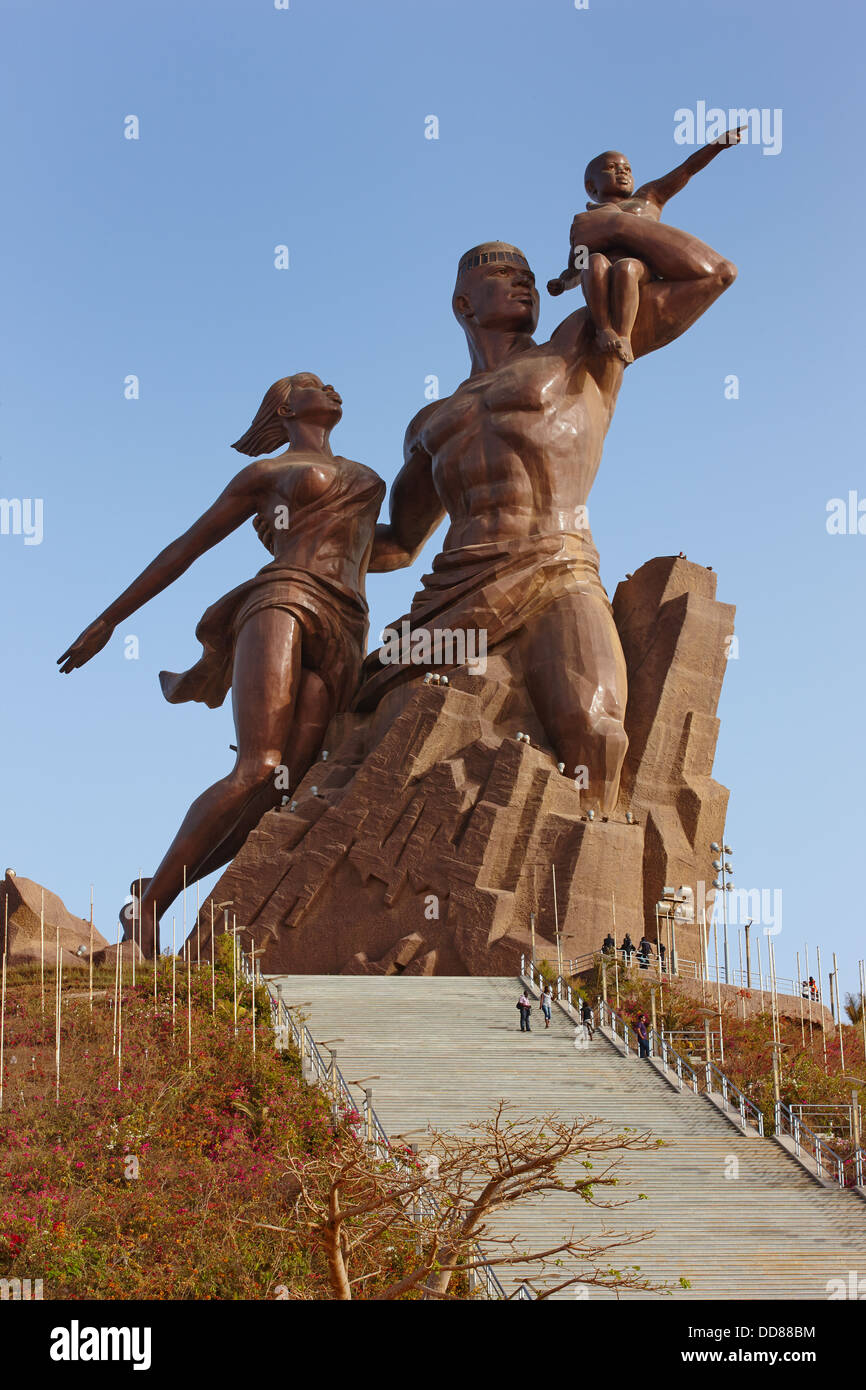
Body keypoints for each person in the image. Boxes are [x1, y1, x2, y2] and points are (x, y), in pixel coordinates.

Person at [351, 219, 737, 817]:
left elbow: (713, 274)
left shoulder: (582, 343)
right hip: (454, 593)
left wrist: (612, 223)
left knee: (597, 731)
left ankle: (584, 894)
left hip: (557, 569)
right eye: (502, 275)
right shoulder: (432, 421)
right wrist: (304, 542)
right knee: (372, 731)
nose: (522, 282)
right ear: (463, 303)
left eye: (528, 276)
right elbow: (399, 543)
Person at [58, 374, 386, 955]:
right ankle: (146, 914)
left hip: (348, 622)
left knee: (288, 790)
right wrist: (109, 620)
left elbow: (395, 547)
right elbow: (187, 547)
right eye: (315, 384)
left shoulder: (365, 476)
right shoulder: (265, 475)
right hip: (283, 596)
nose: (332, 387)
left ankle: (155, 889)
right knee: (258, 765)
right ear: (284, 407)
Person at [547, 129, 742, 363]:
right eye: (611, 168)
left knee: (627, 268)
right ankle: (604, 328)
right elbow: (577, 264)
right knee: (594, 262)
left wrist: (716, 146)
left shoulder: (647, 198)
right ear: (592, 187)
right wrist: (563, 282)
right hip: (602, 277)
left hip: (640, 271)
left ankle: (624, 335)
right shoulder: (584, 221)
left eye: (627, 169)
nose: (622, 172)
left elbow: (686, 170)